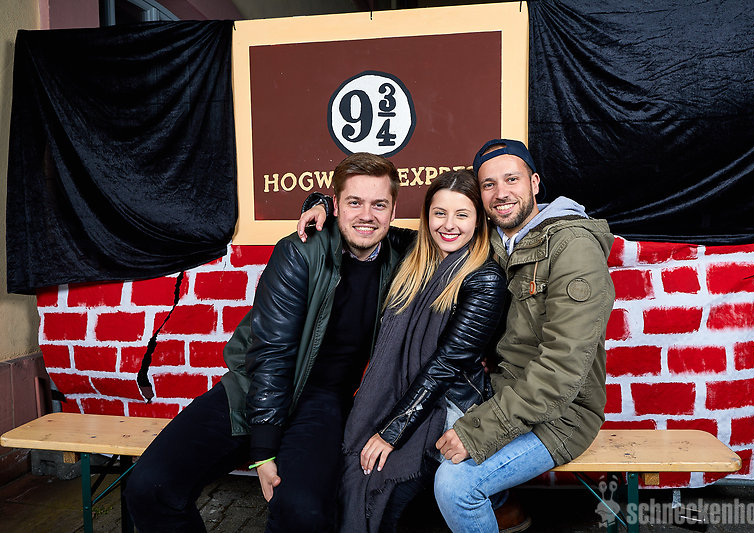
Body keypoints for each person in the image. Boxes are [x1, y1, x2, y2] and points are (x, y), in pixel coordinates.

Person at [125, 152, 414, 533]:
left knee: (304, 513)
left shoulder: (403, 254)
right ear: (337, 205)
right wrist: (263, 450)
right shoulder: (300, 250)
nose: (366, 215)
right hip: (252, 387)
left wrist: (319, 202)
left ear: (394, 210)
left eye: (379, 204)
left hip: (322, 401)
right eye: (354, 202)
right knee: (149, 487)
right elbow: (272, 352)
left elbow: (452, 231)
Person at [433, 139, 616, 533]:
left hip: (563, 414)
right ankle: (504, 509)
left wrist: (479, 431)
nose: (501, 193)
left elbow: (561, 370)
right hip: (504, 392)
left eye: (511, 179)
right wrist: (326, 208)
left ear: (534, 183)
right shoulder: (494, 241)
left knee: (456, 485)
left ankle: (491, 504)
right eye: (488, 184)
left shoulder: (573, 246)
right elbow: (410, 238)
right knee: (417, 429)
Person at [337, 170, 506, 532]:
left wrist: (390, 433)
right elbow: (371, 227)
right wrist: (322, 205)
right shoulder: (417, 255)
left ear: (479, 220)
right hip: (405, 394)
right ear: (427, 216)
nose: (449, 225)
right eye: (439, 213)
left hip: (449, 406)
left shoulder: (485, 279)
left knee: (391, 494)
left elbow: (445, 366)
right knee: (354, 474)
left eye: (462, 214)